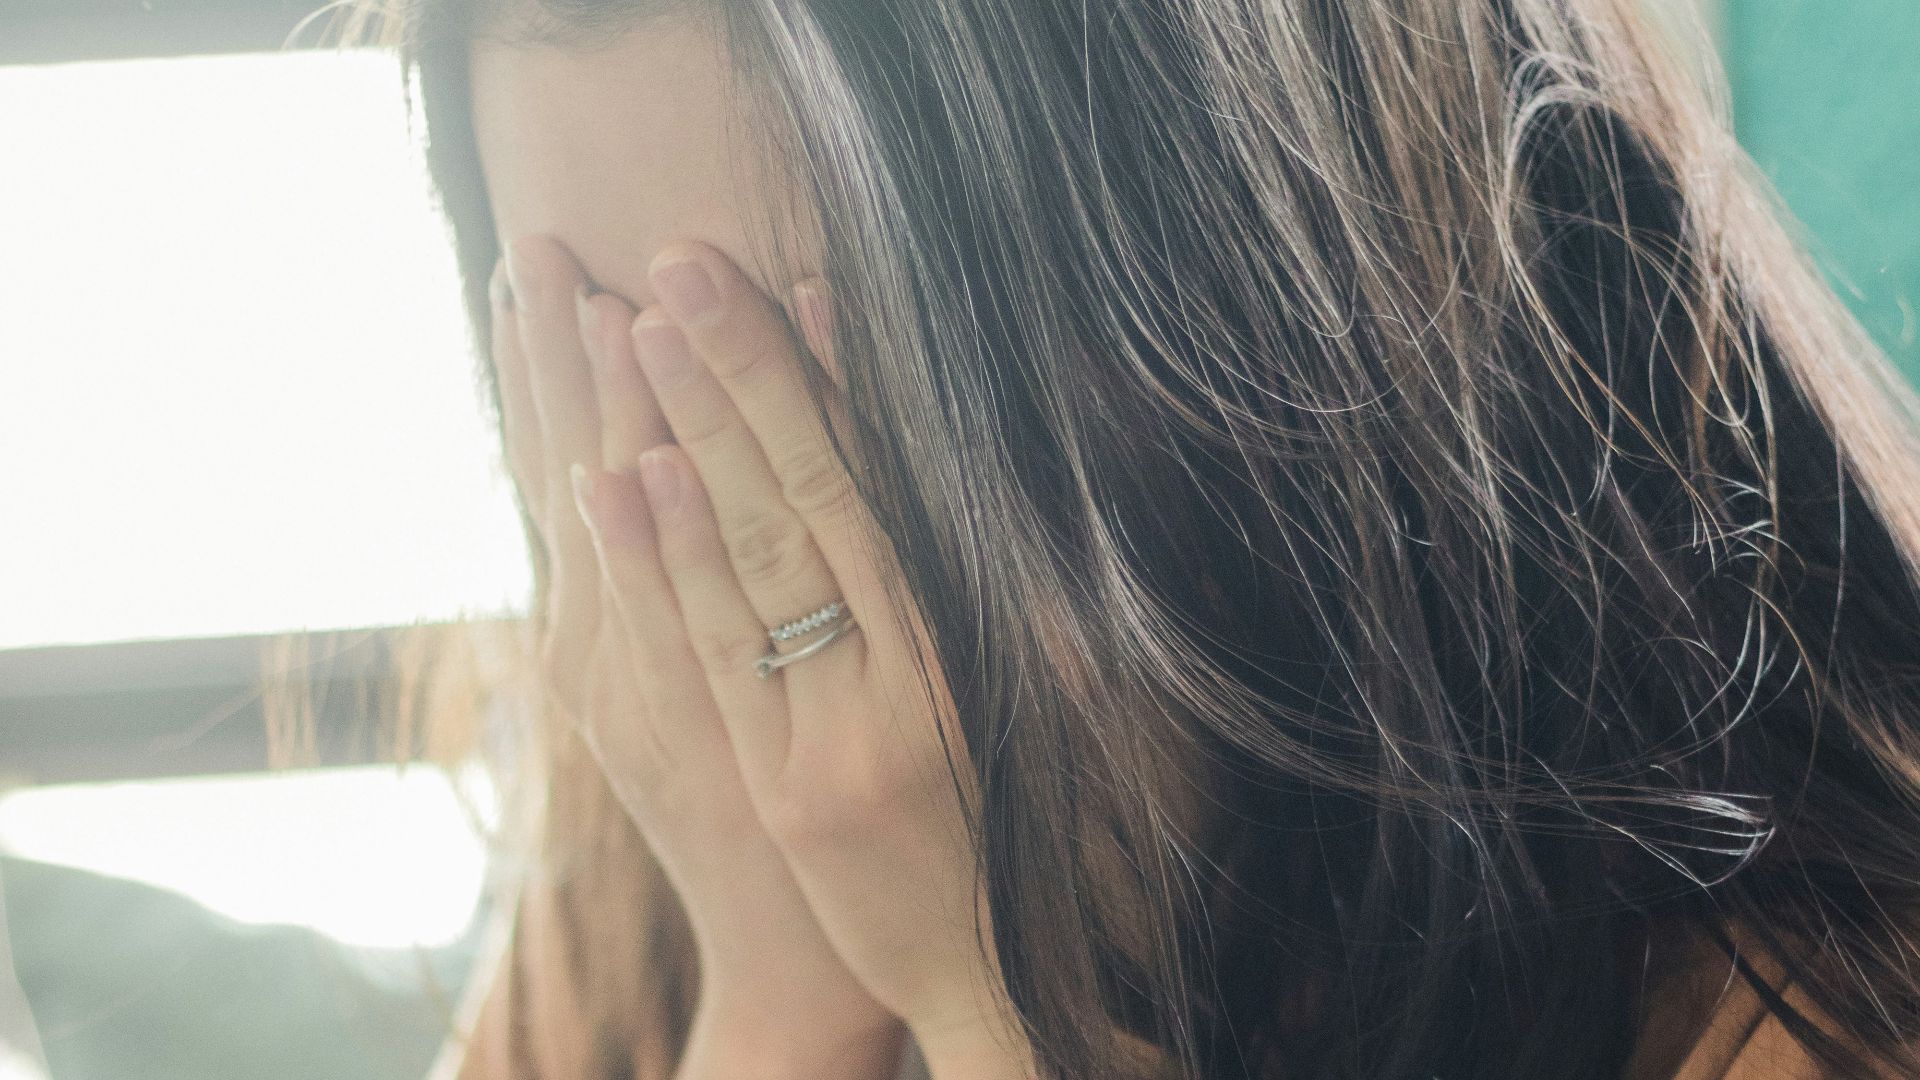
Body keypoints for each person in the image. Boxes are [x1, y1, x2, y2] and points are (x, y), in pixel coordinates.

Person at [318, 0, 1920, 1077]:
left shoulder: (1788, 1004)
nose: (723, 540)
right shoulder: (659, 865)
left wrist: (1004, 1003)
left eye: (795, 388)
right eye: (606, 371)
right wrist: (782, 1008)